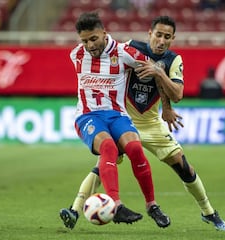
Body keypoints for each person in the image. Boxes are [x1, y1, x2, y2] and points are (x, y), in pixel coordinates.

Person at [61, 15, 225, 232]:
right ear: (150, 34)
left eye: (166, 37)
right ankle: (75, 209)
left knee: (183, 166)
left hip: (150, 121)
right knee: (105, 159)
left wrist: (166, 103)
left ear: (172, 39)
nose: (161, 41)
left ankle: (209, 212)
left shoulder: (173, 60)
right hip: (123, 118)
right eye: (158, 35)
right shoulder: (131, 48)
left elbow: (176, 92)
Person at [59, 11, 170, 229]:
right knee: (108, 147)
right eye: (84, 41)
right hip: (88, 116)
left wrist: (166, 104)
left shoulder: (123, 52)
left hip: (118, 114)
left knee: (136, 149)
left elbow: (155, 70)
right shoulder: (77, 55)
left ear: (104, 33)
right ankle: (115, 205)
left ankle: (152, 205)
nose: (89, 45)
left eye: (93, 39)